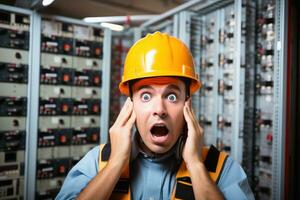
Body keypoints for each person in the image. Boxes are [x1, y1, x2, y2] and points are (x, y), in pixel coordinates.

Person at [56, 32, 254, 200]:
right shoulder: (97, 162)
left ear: (188, 103)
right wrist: (116, 162)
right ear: (130, 105)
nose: (159, 109)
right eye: (145, 96)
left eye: (172, 96)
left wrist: (195, 164)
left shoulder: (222, 168)